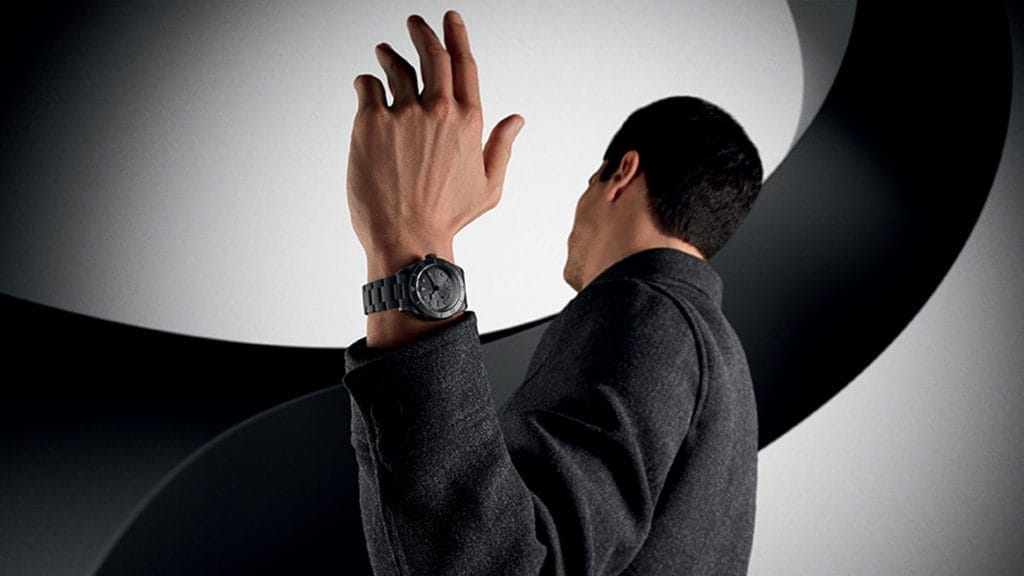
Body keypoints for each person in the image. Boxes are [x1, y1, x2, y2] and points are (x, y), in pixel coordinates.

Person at [342, 10, 762, 575]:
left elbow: (501, 565)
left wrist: (409, 243)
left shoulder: (649, 310)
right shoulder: (714, 349)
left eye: (589, 181)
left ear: (621, 173)